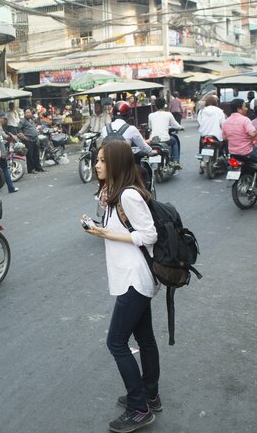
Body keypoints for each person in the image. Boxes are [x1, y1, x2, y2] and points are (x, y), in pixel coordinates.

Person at [83, 140, 160, 432]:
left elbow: (149, 234)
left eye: (102, 160)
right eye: (97, 160)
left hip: (134, 277)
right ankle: (150, 394)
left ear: (115, 163)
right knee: (145, 339)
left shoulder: (128, 195)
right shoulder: (117, 193)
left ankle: (139, 407)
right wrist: (100, 228)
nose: (97, 165)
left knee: (116, 342)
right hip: (133, 276)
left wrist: (106, 234)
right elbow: (121, 228)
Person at [222, 98, 257, 189]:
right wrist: (255, 137)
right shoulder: (245, 120)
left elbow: (224, 138)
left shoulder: (225, 122)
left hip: (233, 153)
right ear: (239, 109)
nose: (246, 109)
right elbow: (253, 133)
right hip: (247, 152)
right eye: (244, 106)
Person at [147, 98, 183, 168]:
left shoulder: (150, 115)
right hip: (165, 139)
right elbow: (175, 125)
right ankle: (175, 161)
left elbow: (150, 127)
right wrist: (181, 127)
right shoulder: (168, 114)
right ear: (164, 106)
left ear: (155, 106)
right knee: (174, 141)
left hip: (153, 140)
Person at [17, 108, 45, 174]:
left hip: (35, 139)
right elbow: (18, 129)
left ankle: (38, 168)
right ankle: (31, 169)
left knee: (36, 154)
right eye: (27, 112)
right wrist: (24, 137)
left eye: (29, 112)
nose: (28, 114)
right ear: (24, 114)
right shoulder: (23, 121)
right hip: (28, 140)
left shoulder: (32, 120)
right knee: (30, 155)